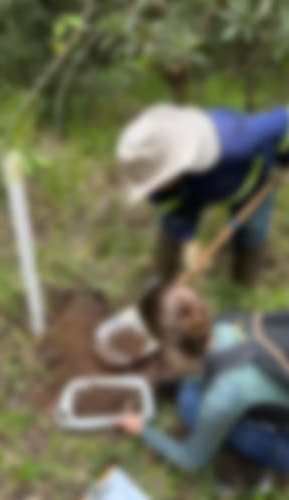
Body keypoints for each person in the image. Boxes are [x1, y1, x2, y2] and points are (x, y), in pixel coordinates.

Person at [117, 285, 289, 474]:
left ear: (171, 349)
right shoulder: (231, 321)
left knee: (190, 405)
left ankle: (254, 462)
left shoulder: (223, 395)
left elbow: (191, 460)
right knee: (192, 389)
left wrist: (141, 428)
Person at [115, 103, 289, 286]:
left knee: (253, 229)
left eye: (157, 182)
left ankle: (243, 287)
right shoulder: (156, 178)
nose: (153, 189)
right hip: (195, 186)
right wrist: (187, 240)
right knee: (171, 228)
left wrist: (283, 161)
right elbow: (170, 206)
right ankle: (161, 288)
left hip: (251, 183)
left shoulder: (239, 140)